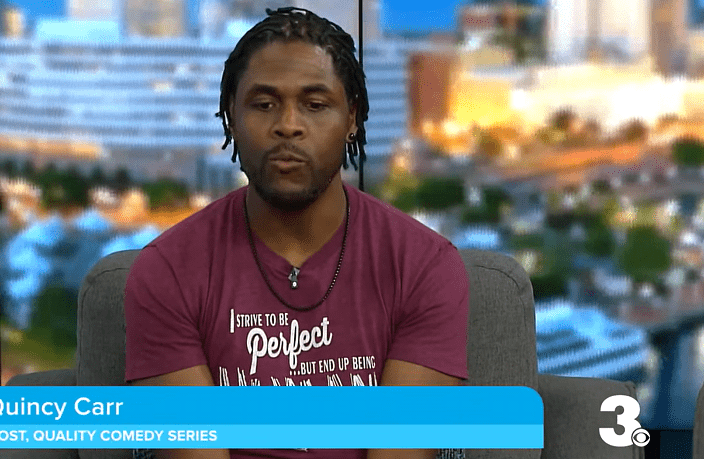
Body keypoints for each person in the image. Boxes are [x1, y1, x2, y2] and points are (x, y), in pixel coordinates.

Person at [124, 7, 469, 459]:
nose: (288, 125)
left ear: (352, 119)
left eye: (315, 104)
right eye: (264, 104)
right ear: (231, 118)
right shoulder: (167, 270)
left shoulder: (425, 267)